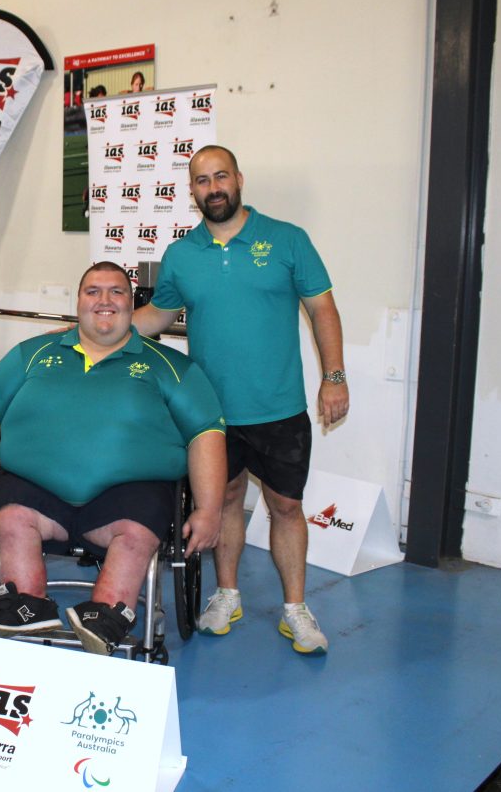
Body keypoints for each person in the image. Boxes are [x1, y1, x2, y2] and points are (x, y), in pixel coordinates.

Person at [133, 145, 348, 655]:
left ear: (239, 179)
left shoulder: (287, 240)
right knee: (223, 501)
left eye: (220, 176)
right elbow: (160, 315)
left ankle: (294, 607)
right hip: (213, 413)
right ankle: (227, 594)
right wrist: (105, 329)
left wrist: (334, 376)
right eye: (202, 181)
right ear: (192, 191)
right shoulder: (183, 254)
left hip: (279, 408)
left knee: (286, 506)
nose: (213, 188)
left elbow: (322, 310)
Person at [0, 262, 227, 656]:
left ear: (132, 306)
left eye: (116, 291)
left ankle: (109, 613)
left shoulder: (170, 367)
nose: (104, 300)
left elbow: (207, 433)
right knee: (10, 517)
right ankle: (26, 605)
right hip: (36, 489)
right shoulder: (31, 355)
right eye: (93, 291)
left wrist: (209, 508)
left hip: (128, 496)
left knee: (136, 532)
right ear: (78, 302)